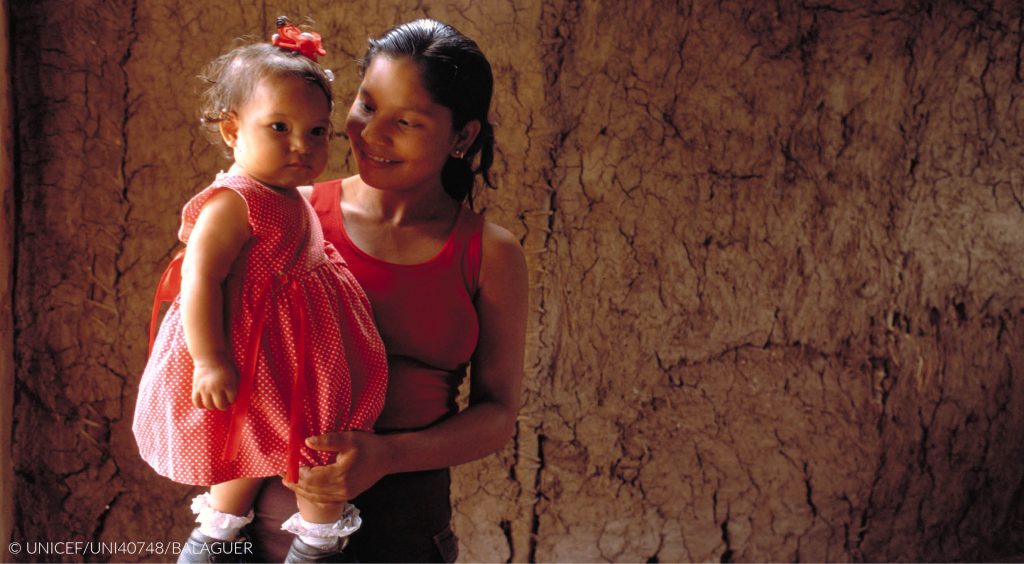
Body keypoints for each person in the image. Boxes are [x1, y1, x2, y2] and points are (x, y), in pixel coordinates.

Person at [248, 18, 528, 563]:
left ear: (462, 137)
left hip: (407, 536)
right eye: (368, 107)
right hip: (269, 530)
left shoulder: (488, 253)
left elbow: (496, 413)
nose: (372, 136)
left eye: (407, 121)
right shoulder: (290, 213)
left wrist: (387, 455)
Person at [132, 17, 388, 563]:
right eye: (278, 127)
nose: (301, 145)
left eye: (317, 131)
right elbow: (199, 279)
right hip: (249, 356)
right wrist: (209, 360)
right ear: (231, 130)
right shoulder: (233, 201)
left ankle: (309, 543)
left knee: (304, 449)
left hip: (295, 358)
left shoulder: (290, 194)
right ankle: (221, 542)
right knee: (243, 447)